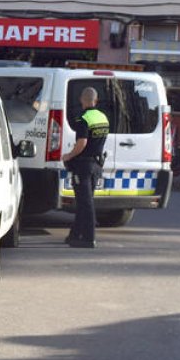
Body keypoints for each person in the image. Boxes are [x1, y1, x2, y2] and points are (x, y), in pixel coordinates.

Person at [61, 87, 109, 248]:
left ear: (82, 100)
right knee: (85, 201)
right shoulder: (102, 117)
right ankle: (75, 235)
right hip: (97, 164)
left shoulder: (83, 118)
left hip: (84, 166)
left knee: (85, 203)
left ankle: (88, 238)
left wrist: (69, 155)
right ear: (96, 100)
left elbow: (82, 142)